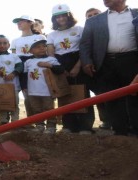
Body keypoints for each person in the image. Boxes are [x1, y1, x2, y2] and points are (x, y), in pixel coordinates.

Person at [80, 0, 138, 136]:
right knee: (112, 98)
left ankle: (136, 131)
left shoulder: (136, 14)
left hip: (133, 61)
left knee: (135, 96)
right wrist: (86, 61)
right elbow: (85, 44)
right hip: (106, 64)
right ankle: (120, 131)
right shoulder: (93, 21)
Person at [47, 4, 95, 134]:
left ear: (69, 16)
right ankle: (68, 125)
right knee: (64, 95)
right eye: (58, 17)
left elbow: (84, 48)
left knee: (83, 93)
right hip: (60, 64)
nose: (61, 19)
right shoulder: (51, 35)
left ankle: (85, 126)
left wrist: (78, 66)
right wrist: (61, 69)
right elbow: (51, 53)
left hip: (79, 61)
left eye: (63, 15)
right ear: (54, 19)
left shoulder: (79, 29)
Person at [24, 39, 64, 133]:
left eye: (44, 46)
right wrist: (24, 87)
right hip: (32, 91)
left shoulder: (51, 59)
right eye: (38, 47)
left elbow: (60, 70)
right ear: (31, 51)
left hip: (47, 91)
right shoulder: (28, 62)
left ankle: (51, 126)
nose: (42, 48)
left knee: (49, 109)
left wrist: (49, 65)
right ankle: (39, 125)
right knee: (36, 109)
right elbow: (24, 75)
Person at [11, 15, 46, 119]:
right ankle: (32, 120)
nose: (19, 23)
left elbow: (45, 53)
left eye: (22, 21)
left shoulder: (40, 37)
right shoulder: (15, 40)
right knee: (26, 94)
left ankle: (46, 119)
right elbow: (14, 58)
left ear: (30, 23)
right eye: (18, 22)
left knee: (42, 93)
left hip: (37, 66)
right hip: (21, 67)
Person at [84, 7, 111, 130]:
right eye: (90, 16)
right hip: (96, 68)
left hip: (115, 64)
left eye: (96, 14)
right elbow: (85, 48)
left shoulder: (112, 26)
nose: (93, 17)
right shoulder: (86, 31)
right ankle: (106, 121)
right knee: (100, 95)